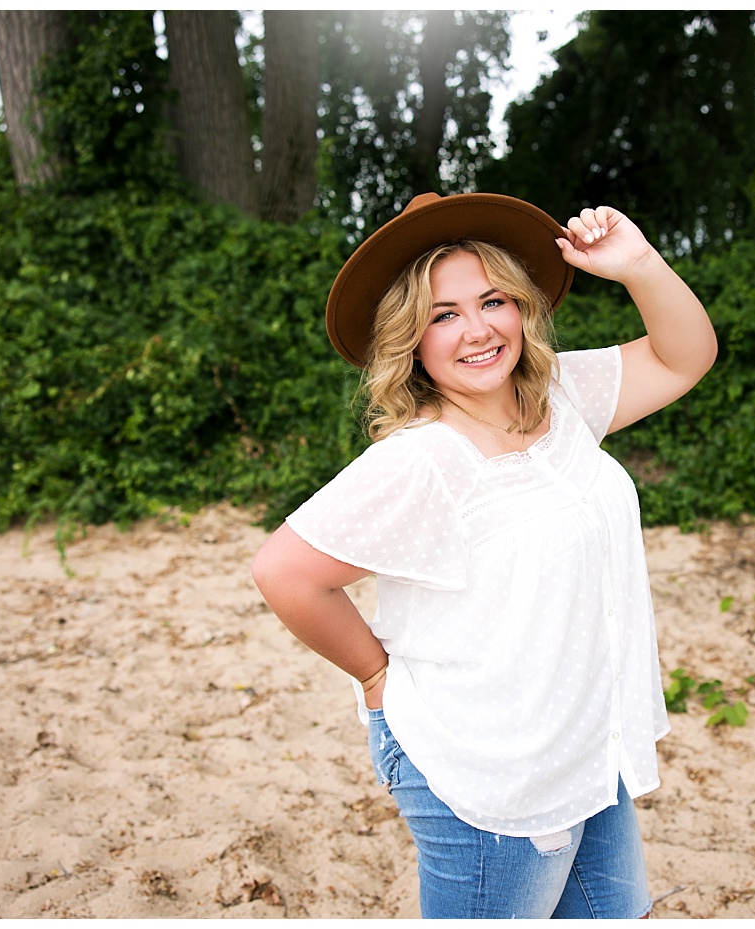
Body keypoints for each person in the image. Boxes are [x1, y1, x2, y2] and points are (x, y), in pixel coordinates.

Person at [251, 193, 715, 917]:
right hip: (489, 764)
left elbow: (685, 357)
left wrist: (639, 265)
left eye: (492, 299)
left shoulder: (561, 399)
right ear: (410, 338)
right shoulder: (425, 458)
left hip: (587, 745)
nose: (477, 329)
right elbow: (284, 571)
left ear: (522, 309)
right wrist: (376, 678)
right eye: (443, 314)